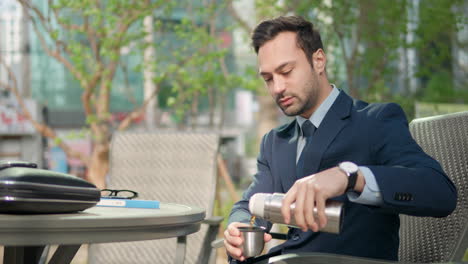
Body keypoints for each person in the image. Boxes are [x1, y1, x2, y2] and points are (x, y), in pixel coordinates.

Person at [224, 16, 457, 263]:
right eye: (269, 78)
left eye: (286, 71)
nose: (277, 87)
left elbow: (440, 192)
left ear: (319, 61)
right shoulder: (274, 142)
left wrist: (351, 177)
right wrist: (237, 228)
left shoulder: (374, 121)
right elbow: (248, 206)